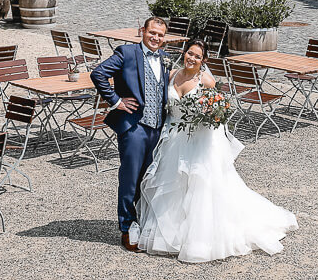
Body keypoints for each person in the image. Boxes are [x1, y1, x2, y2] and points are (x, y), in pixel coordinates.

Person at [132, 40, 298, 261]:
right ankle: (170, 231)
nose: (191, 58)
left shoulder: (206, 80)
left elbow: (219, 113)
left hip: (198, 140)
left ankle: (198, 238)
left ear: (204, 61)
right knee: (172, 185)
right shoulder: (171, 74)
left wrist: (210, 118)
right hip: (172, 137)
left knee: (200, 187)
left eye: (197, 56)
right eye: (189, 53)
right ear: (184, 53)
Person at [91, 16, 174, 252]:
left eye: (160, 34)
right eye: (152, 33)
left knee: (149, 179)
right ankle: (127, 228)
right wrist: (116, 101)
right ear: (142, 31)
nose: (156, 38)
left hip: (157, 129)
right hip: (135, 128)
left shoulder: (165, 59)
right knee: (130, 180)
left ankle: (144, 223)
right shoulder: (126, 53)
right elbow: (98, 74)